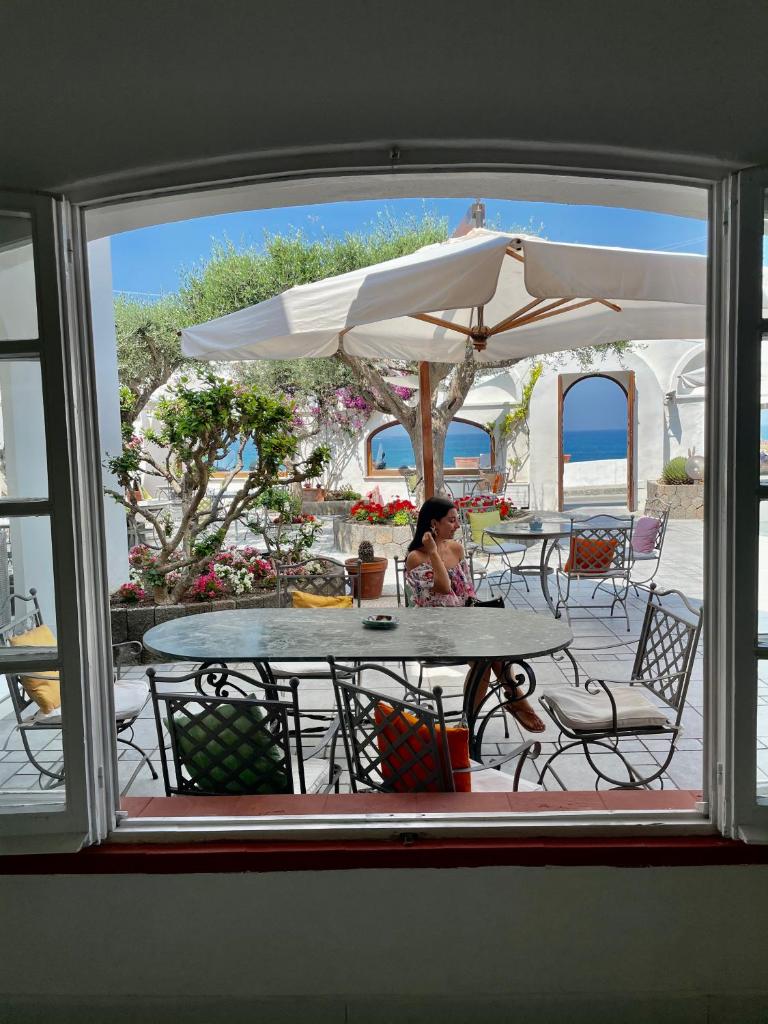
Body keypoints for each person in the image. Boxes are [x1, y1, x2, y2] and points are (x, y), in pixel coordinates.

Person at [404, 495, 545, 733]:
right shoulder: (415, 557)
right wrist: (435, 553)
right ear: (433, 524)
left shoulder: (457, 549)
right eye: (451, 520)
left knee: (491, 652)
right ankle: (512, 700)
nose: (457, 525)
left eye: (457, 519)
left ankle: (469, 723)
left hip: (463, 625)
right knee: (485, 657)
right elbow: (444, 587)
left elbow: (468, 592)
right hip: (432, 632)